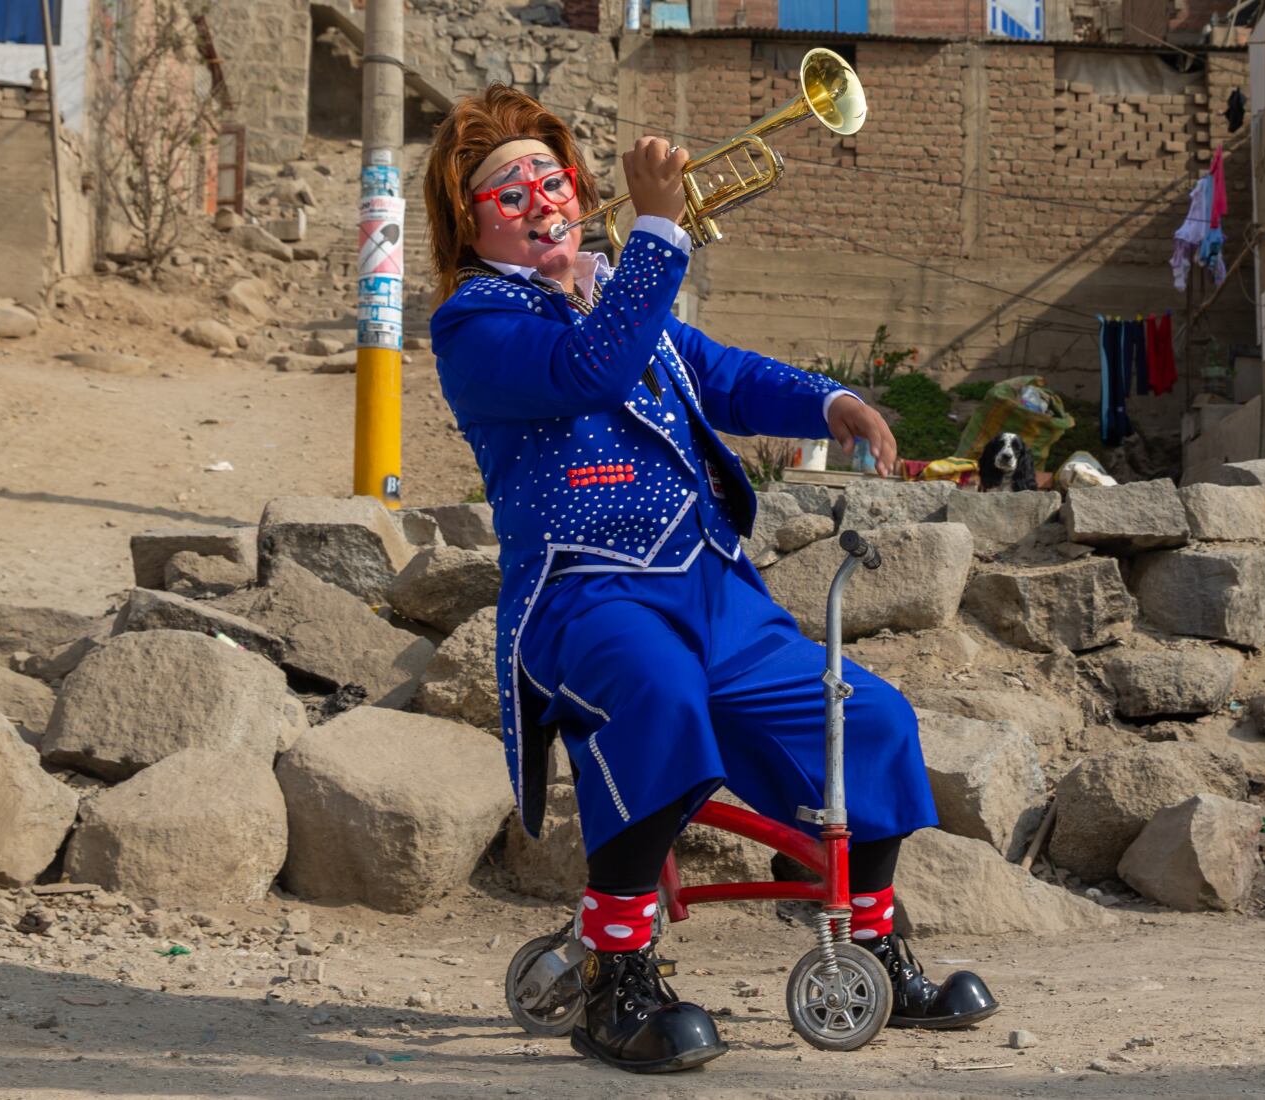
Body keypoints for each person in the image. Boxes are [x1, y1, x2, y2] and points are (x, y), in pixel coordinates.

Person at [424, 85, 997, 1074]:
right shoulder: (472, 324)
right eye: (511, 195)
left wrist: (832, 401)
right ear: (470, 225)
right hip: (586, 595)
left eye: (554, 183)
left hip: (710, 584)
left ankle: (868, 944)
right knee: (654, 693)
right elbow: (593, 370)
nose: (544, 204)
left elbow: (720, 373)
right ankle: (616, 978)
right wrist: (658, 228)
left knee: (870, 719)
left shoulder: (615, 290)